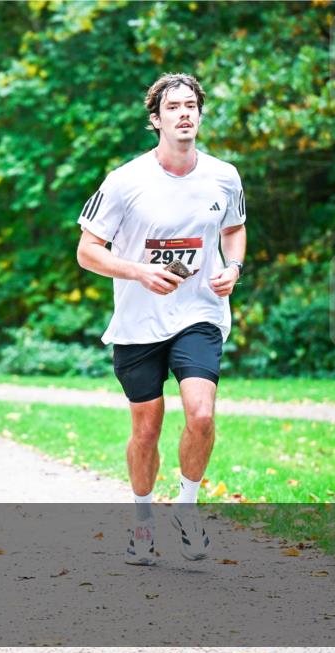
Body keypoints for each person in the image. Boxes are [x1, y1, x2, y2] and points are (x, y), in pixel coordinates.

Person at [75, 73, 247, 565]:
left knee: (202, 413)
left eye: (191, 105)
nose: (184, 113)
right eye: (173, 107)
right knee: (146, 429)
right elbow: (87, 251)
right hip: (139, 321)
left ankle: (187, 509)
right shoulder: (124, 181)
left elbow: (234, 229)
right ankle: (142, 521)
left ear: (200, 114)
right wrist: (139, 272)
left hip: (199, 312)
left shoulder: (224, 176)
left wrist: (233, 267)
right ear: (156, 119)